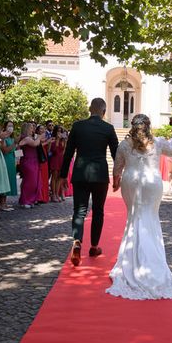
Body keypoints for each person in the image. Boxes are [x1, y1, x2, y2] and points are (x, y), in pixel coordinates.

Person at [107, 114, 172, 300]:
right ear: (148, 126)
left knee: (134, 218)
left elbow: (117, 168)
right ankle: (153, 263)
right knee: (150, 218)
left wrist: (116, 182)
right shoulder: (157, 142)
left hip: (131, 181)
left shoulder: (125, 145)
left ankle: (131, 262)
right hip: (152, 183)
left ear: (133, 126)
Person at [59, 98, 118, 266]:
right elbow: (116, 153)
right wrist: (118, 174)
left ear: (89, 109)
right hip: (100, 175)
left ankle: (77, 242)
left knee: (79, 210)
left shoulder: (78, 126)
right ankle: (94, 246)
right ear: (104, 112)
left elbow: (68, 152)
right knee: (98, 210)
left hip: (80, 173)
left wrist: (63, 175)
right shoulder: (108, 128)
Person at [17, 122, 42, 208]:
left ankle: (30, 200)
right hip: (28, 161)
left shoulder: (30, 138)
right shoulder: (27, 138)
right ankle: (25, 201)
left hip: (34, 160)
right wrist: (39, 137)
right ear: (27, 129)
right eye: (31, 128)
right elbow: (35, 144)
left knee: (34, 182)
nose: (33, 129)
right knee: (29, 182)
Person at [0, 120, 17, 211]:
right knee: (4, 180)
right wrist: (14, 144)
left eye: (12, 126)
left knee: (9, 180)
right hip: (5, 160)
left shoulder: (12, 138)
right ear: (5, 127)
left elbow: (15, 151)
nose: (11, 128)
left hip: (12, 160)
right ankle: (1, 203)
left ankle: (5, 203)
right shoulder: (3, 138)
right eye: (9, 126)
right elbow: (5, 150)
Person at [49, 125, 67, 202]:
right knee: (54, 177)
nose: (60, 133)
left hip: (61, 159)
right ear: (55, 132)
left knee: (60, 178)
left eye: (61, 131)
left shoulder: (63, 141)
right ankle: (53, 194)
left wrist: (65, 141)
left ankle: (57, 193)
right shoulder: (52, 140)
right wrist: (57, 140)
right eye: (58, 131)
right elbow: (54, 151)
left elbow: (64, 151)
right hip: (55, 159)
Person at [36, 124, 51, 203]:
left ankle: (45, 197)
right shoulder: (36, 137)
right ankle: (40, 197)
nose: (43, 130)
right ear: (38, 131)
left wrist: (49, 143)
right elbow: (37, 146)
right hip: (39, 158)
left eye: (43, 129)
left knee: (45, 177)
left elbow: (48, 150)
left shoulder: (45, 139)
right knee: (40, 177)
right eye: (41, 129)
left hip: (45, 157)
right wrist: (46, 142)